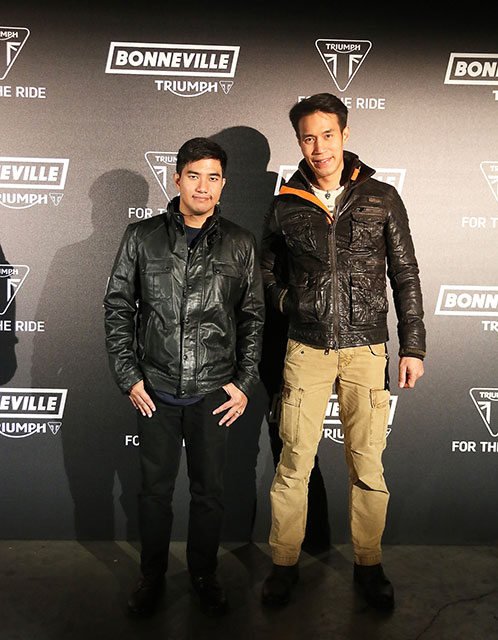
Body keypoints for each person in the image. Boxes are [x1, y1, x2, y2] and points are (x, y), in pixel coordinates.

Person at [260, 93, 425, 610]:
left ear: (345, 135)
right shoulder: (285, 205)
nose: (319, 148)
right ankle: (284, 564)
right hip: (305, 349)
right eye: (308, 138)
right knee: (293, 462)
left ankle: (369, 565)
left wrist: (413, 345)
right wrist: (290, 302)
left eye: (327, 135)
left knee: (367, 465)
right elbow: (265, 272)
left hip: (367, 349)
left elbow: (405, 273)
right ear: (299, 142)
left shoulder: (382, 197)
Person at [104, 137, 265, 615]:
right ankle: (151, 576)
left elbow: (253, 317)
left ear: (223, 184)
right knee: (153, 494)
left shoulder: (240, 242)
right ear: (176, 179)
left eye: (213, 177)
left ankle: (203, 575)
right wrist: (129, 375)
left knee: (209, 494)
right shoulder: (141, 236)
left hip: (214, 392)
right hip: (154, 388)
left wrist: (244, 382)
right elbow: (118, 307)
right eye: (194, 175)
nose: (203, 186)